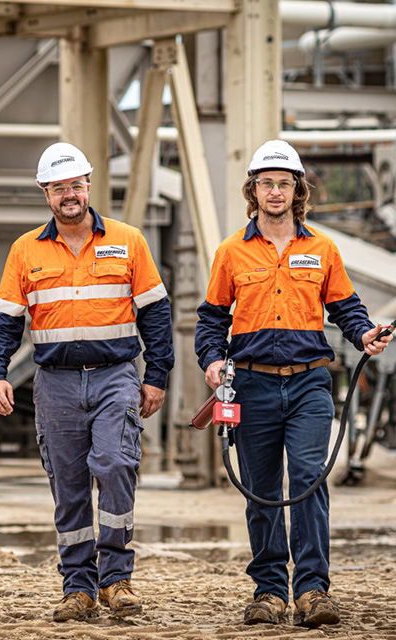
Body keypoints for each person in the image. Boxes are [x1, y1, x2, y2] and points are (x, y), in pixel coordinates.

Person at [195, 139, 392, 628]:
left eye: (285, 183)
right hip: (252, 385)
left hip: (308, 385)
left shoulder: (322, 248)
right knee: (261, 489)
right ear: (254, 190)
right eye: (267, 183)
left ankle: (311, 590)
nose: (276, 191)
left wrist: (364, 333)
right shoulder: (231, 252)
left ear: (297, 190)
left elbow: (346, 308)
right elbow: (211, 319)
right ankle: (268, 591)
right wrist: (212, 361)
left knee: (307, 480)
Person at [0, 142, 174, 622]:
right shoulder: (25, 250)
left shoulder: (128, 240)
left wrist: (157, 377)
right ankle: (78, 588)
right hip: (56, 383)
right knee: (67, 486)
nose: (69, 194)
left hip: (115, 378)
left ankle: (116, 580)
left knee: (113, 465)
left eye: (76, 185)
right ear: (45, 193)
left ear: (89, 186)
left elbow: (156, 315)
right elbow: (5, 321)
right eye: (58, 187)